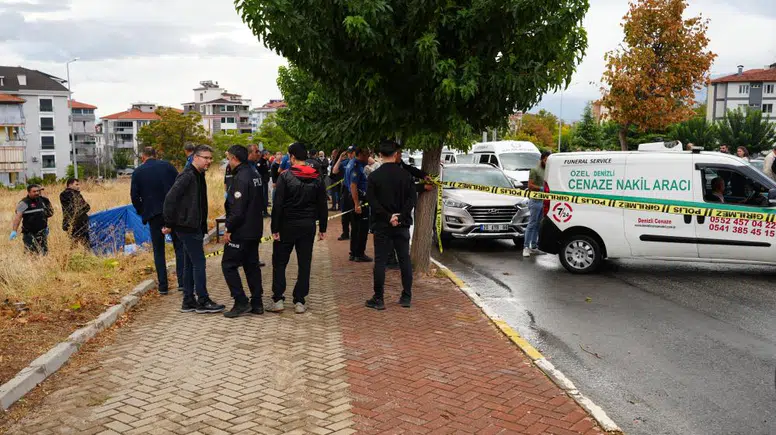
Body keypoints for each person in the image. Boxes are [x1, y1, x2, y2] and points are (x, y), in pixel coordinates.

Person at [163, 145, 225, 314]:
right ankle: (203, 300)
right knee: (199, 263)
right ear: (195, 157)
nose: (209, 161)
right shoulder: (187, 175)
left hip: (193, 226)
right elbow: (170, 199)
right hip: (186, 227)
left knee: (190, 263)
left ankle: (188, 300)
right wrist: (169, 224)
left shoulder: (198, 175)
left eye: (211, 158)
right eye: (206, 158)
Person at [269, 142, 328, 314]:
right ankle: (300, 301)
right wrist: (322, 228)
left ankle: (278, 299)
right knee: (304, 263)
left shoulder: (285, 176)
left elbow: (277, 204)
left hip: (286, 225)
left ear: (292, 157)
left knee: (279, 262)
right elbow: (322, 204)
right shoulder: (317, 177)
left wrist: (275, 228)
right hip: (307, 226)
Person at [366, 140, 417, 310]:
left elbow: (372, 202)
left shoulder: (374, 177)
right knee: (404, 259)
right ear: (396, 155)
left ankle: (379, 298)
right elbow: (412, 199)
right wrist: (400, 216)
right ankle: (407, 296)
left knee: (380, 261)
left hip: (382, 224)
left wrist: (388, 216)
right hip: (402, 224)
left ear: (380, 155)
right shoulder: (406, 176)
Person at [131, 147, 183, 295]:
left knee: (159, 250)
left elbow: (134, 197)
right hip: (173, 212)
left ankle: (163, 286)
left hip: (153, 214)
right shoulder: (168, 167)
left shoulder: (138, 172)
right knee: (179, 246)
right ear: (156, 155)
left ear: (143, 157)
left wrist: (143, 211)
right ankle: (182, 282)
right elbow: (180, 187)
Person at [221, 145, 266, 318]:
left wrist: (228, 229)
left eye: (228, 158)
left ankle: (241, 301)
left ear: (234, 158)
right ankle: (257, 302)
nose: (227, 161)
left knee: (228, 265)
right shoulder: (254, 174)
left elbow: (237, 210)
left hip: (242, 230)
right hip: (254, 228)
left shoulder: (240, 177)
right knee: (251, 265)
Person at [10, 184, 54, 255]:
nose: (36, 193)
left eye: (37, 191)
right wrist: (14, 231)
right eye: (34, 191)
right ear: (29, 192)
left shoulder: (42, 201)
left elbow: (50, 213)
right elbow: (18, 218)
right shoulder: (24, 203)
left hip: (42, 232)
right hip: (29, 234)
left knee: (44, 254)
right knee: (30, 254)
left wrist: (46, 227)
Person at [346, 147, 372, 262]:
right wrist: (357, 203)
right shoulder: (356, 166)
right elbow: (353, 185)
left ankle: (354, 252)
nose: (368, 157)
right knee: (362, 227)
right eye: (367, 154)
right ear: (360, 154)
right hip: (358, 199)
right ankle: (359, 253)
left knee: (356, 226)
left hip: (355, 198)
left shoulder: (354, 163)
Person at [524, 151, 551, 258]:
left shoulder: (548, 170)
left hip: (544, 201)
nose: (547, 162)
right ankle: (526, 247)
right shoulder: (535, 170)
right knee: (532, 224)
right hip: (535, 201)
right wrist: (541, 188)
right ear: (542, 159)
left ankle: (534, 247)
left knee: (538, 225)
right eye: (546, 160)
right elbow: (530, 185)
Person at [332, 146, 356, 240]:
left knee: (354, 215)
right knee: (345, 213)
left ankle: (354, 234)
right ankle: (345, 233)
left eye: (352, 152)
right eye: (349, 153)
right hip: (346, 190)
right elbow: (334, 171)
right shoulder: (345, 162)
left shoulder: (359, 162)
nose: (350, 155)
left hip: (356, 190)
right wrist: (340, 159)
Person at [60, 178, 91, 247]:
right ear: (70, 185)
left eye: (78, 184)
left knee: (86, 244)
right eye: (76, 184)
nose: (78, 186)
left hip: (82, 223)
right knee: (74, 245)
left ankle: (87, 257)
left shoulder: (78, 194)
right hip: (73, 223)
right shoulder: (65, 194)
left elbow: (87, 207)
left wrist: (81, 208)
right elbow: (73, 209)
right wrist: (82, 208)